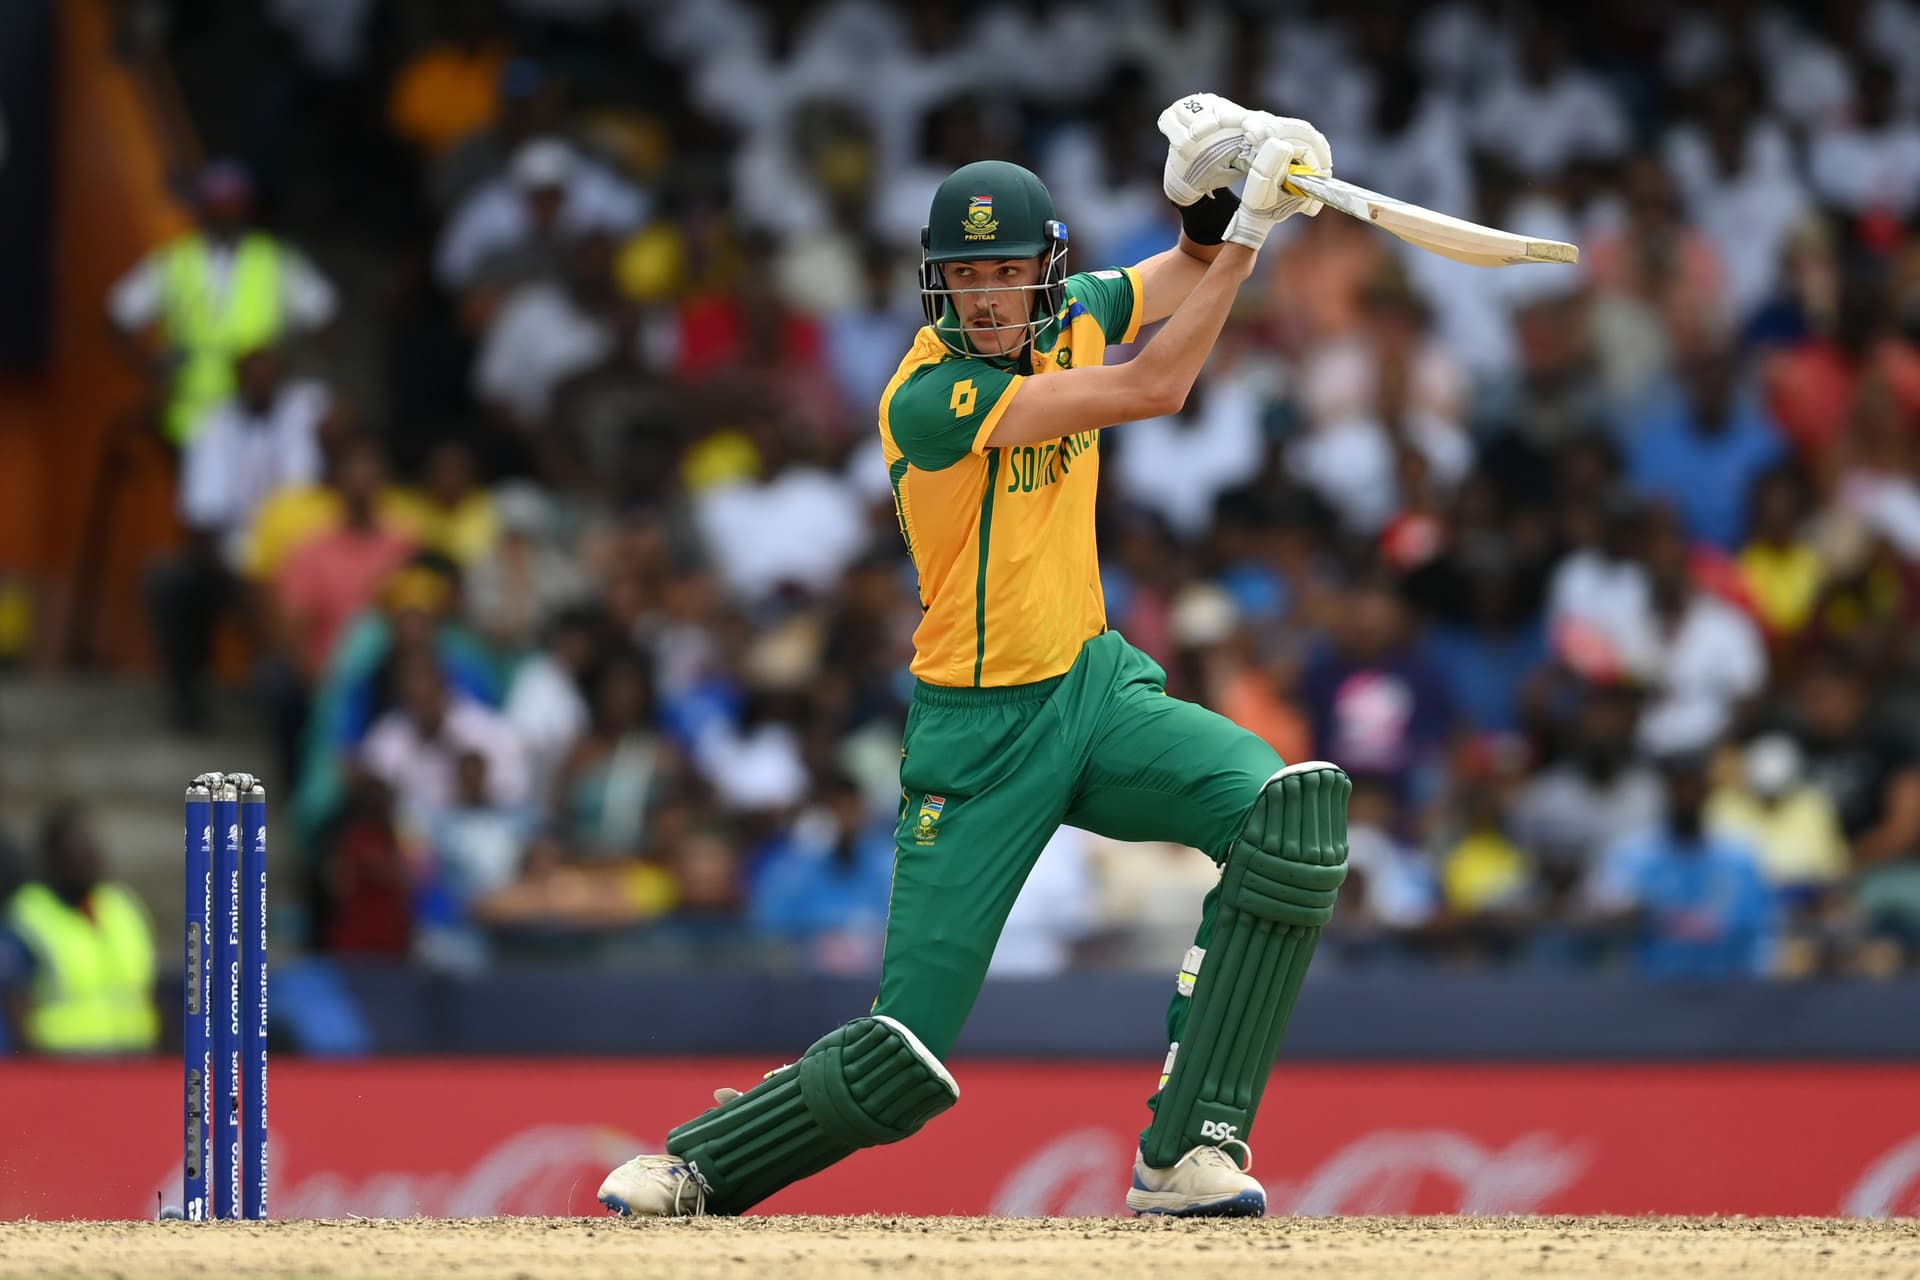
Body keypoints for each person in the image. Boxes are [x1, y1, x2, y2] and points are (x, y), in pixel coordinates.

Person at [598, 95, 1350, 1220]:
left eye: (1005, 273)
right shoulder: (930, 393)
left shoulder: (1073, 308)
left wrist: (1216, 207)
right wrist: (1250, 234)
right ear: (936, 283)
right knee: (903, 1059)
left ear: (1046, 269)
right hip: (978, 732)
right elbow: (1158, 384)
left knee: (1290, 812)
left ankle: (1186, 1150)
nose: (985, 297)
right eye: (964, 277)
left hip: (1093, 689)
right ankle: (700, 1161)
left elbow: (1167, 283)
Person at [108, 161, 337, 446]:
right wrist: (149, 370)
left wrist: (289, 369)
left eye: (233, 203)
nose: (225, 212)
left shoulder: (276, 260)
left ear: (248, 207)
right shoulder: (175, 261)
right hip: (192, 419)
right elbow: (119, 314)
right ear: (203, 208)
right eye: (217, 204)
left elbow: (323, 316)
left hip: (260, 415)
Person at [0, 805, 159, 1055]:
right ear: (52, 858)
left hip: (136, 1062)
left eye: (93, 846)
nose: (90, 857)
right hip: (62, 1068)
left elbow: (153, 991)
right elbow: (13, 1003)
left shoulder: (124, 907)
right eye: (78, 848)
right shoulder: (28, 916)